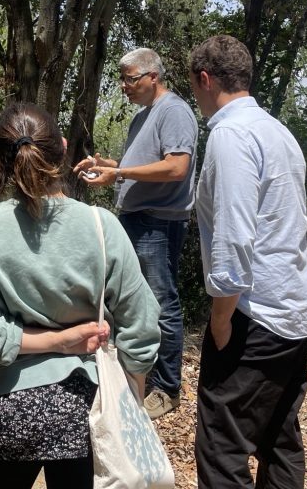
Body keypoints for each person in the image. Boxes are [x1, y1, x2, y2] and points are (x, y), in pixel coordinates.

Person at [0, 102, 161, 489]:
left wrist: (50, 342)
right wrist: (130, 394)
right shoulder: (102, 227)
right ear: (63, 148)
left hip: (5, 410)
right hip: (89, 409)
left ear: (2, 161)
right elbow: (141, 326)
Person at [189, 35, 307, 489]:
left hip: (253, 316)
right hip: (293, 310)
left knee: (222, 448)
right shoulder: (276, 131)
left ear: (204, 79)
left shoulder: (229, 135)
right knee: (280, 440)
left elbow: (233, 236)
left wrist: (221, 321)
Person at [74, 47, 198, 420]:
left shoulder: (174, 111)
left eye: (130, 78)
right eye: (122, 79)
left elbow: (177, 167)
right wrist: (106, 165)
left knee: (161, 303)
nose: (124, 87)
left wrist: (120, 174)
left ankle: (166, 388)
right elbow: (139, 164)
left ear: (152, 77)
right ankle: (130, 373)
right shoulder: (143, 118)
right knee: (127, 298)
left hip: (158, 222)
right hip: (136, 220)